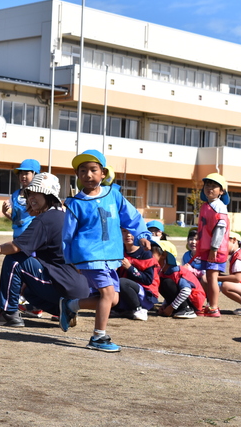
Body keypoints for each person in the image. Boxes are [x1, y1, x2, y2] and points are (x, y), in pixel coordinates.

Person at [59, 149, 151, 352]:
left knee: (113, 299)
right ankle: (98, 337)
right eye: (82, 171)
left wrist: (142, 235)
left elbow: (132, 217)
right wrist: (71, 260)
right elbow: (68, 235)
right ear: (78, 176)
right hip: (89, 257)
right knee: (108, 294)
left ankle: (70, 305)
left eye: (93, 170)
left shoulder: (114, 195)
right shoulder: (75, 204)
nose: (88, 175)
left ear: (103, 173)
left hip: (112, 256)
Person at [0, 173, 89, 327]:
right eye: (29, 193)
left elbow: (16, 247)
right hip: (77, 288)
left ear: (48, 196)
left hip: (65, 284)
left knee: (14, 261)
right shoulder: (63, 215)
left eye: (36, 193)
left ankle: (8, 313)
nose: (31, 197)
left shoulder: (46, 219)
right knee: (27, 289)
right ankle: (64, 310)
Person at [1, 159, 43, 318]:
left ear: (35, 175)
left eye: (27, 173)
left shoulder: (39, 195)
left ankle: (30, 301)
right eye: (21, 173)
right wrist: (7, 214)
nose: (23, 176)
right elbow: (17, 219)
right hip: (17, 239)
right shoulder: (15, 195)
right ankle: (22, 301)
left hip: (33, 240)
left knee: (29, 270)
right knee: (16, 269)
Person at [195, 173, 230, 317]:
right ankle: (210, 305)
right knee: (208, 277)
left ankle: (214, 307)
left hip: (215, 249)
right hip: (207, 248)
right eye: (207, 185)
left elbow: (220, 229)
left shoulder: (219, 207)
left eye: (214, 186)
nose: (209, 188)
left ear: (221, 191)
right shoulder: (207, 205)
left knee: (212, 277)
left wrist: (214, 248)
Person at [113, 228, 160, 321]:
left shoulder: (145, 253)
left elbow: (148, 280)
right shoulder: (119, 250)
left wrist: (130, 268)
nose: (128, 235)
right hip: (124, 293)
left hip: (145, 294)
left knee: (123, 282)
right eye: (124, 231)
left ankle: (138, 309)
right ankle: (125, 310)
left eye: (132, 232)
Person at [155, 240, 205, 319]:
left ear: (164, 255)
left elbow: (186, 290)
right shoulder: (164, 272)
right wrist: (165, 305)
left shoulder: (177, 272)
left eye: (152, 252)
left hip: (193, 301)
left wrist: (171, 307)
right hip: (183, 300)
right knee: (162, 282)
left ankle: (187, 309)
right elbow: (170, 292)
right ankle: (180, 308)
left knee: (167, 282)